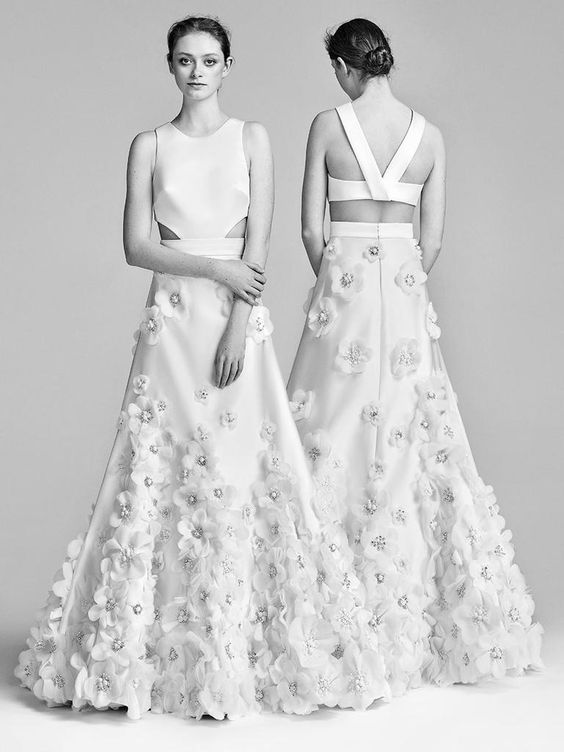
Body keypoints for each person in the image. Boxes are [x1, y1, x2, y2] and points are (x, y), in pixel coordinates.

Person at [15, 15, 392, 721]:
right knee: (156, 470)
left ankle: (236, 650)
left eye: (210, 60)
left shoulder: (253, 139)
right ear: (170, 66)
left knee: (243, 468)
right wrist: (214, 269)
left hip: (232, 322)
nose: (197, 72)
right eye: (185, 60)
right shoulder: (149, 145)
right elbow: (136, 246)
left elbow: (260, 245)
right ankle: (148, 654)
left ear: (227, 65)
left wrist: (239, 325)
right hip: (171, 324)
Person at [287, 17, 542, 692]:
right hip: (403, 293)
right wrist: (398, 282)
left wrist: (338, 285)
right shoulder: (429, 137)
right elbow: (433, 240)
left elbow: (310, 228)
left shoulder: (327, 125)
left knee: (332, 428)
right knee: (412, 434)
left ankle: (330, 607)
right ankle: (418, 612)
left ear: (344, 67)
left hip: (342, 290)